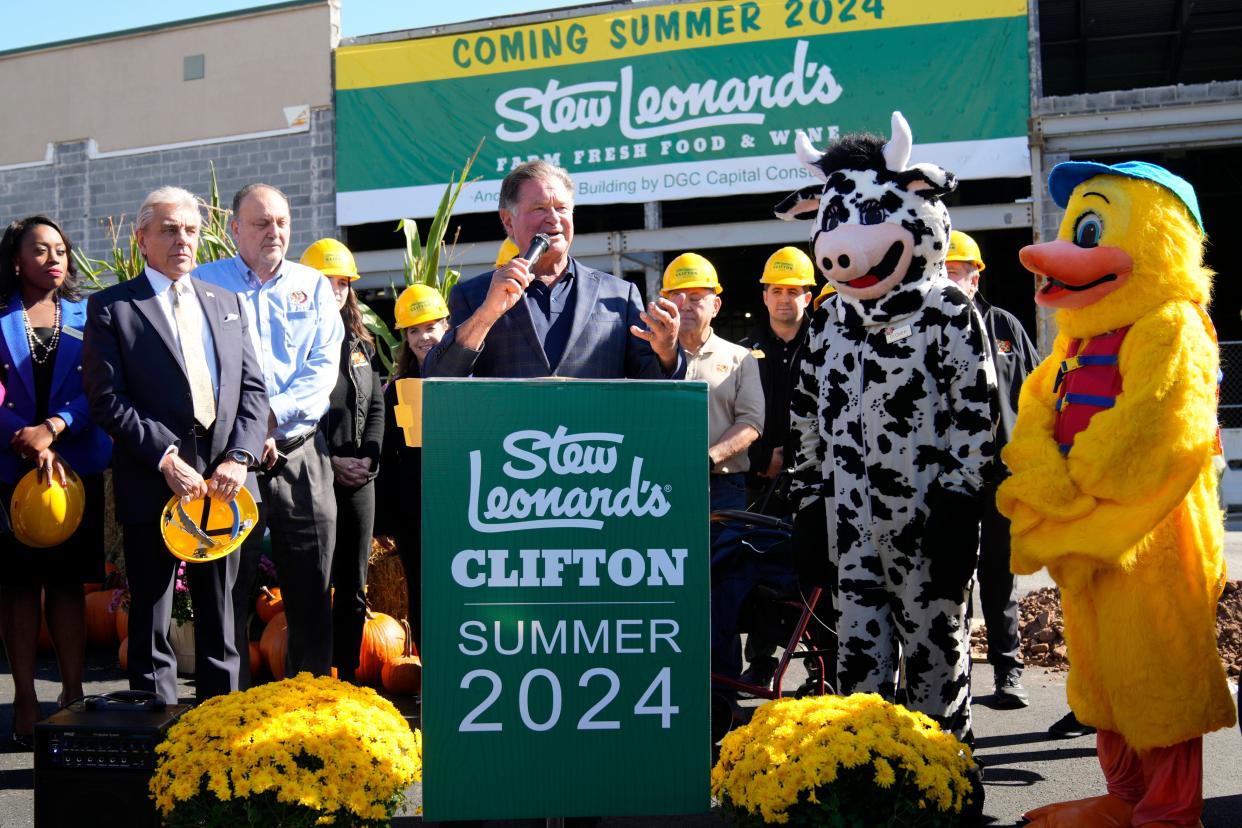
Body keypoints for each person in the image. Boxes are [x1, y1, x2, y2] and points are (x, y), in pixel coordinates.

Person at [82, 186, 268, 704]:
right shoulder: (112, 308)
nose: (182, 239)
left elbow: (252, 388)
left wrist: (240, 456)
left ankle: (221, 726)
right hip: (154, 479)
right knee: (152, 616)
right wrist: (165, 456)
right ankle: (154, 732)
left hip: (228, 486)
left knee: (224, 615)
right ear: (141, 239)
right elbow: (106, 400)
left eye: (189, 229)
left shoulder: (226, 302)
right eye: (168, 229)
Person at [194, 183, 343, 682]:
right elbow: (200, 370)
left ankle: (310, 701)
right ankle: (226, 713)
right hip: (231, 461)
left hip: (301, 454)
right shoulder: (202, 285)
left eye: (281, 221)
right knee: (230, 592)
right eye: (261, 223)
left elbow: (323, 368)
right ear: (235, 229)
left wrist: (268, 418)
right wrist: (246, 431)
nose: (274, 232)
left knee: (312, 588)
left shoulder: (314, 285)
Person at [0, 216, 111, 747]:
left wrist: (56, 427)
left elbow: (102, 385)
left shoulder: (88, 315)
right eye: (40, 251)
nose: (54, 259)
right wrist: (22, 434)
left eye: (61, 250)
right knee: (18, 588)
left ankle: (72, 693)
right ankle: (24, 695)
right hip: (10, 463)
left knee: (69, 585)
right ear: (16, 259)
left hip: (76, 465)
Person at [423, 160, 683, 379]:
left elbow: (653, 386)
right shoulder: (474, 295)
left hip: (594, 437)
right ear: (508, 221)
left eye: (561, 208)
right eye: (539, 209)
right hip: (511, 439)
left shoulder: (619, 294)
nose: (554, 218)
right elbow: (437, 379)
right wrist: (486, 315)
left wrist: (667, 351)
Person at [945, 230, 1039, 710]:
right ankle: (952, 677)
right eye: (939, 270)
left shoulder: (1003, 325)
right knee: (951, 573)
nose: (946, 279)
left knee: (999, 574)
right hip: (949, 475)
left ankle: (1008, 673)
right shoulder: (927, 328)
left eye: (954, 270)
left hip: (1002, 472)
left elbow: (1035, 392)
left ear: (974, 275)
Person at [661, 252, 764, 681]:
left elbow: (752, 423)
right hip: (657, 493)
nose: (686, 305)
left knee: (721, 589)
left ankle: (721, 688)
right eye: (677, 297)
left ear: (716, 305)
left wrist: (704, 459)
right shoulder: (646, 355)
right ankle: (671, 680)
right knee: (665, 590)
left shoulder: (739, 359)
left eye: (697, 298)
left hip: (722, 491)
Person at [302, 239, 384, 684]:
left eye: (342, 283)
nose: (335, 290)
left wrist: (367, 458)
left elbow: (376, 408)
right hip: (314, 474)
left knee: (353, 584)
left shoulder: (361, 344)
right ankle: (312, 677)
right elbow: (292, 412)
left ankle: (349, 676)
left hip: (359, 479)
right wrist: (330, 461)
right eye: (325, 282)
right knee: (315, 581)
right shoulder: (296, 342)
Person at [375, 283, 450, 655]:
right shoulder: (397, 389)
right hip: (415, 515)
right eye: (414, 330)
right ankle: (431, 676)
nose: (424, 337)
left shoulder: (470, 381)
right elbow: (388, 456)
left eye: (431, 326)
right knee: (421, 592)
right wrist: (384, 520)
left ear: (448, 326)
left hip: (463, 508)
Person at [739, 246, 816, 513]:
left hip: (816, 479)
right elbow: (732, 413)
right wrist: (761, 458)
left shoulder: (828, 347)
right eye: (777, 291)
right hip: (758, 479)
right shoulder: (742, 352)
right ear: (765, 297)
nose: (784, 299)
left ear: (807, 298)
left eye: (793, 291)